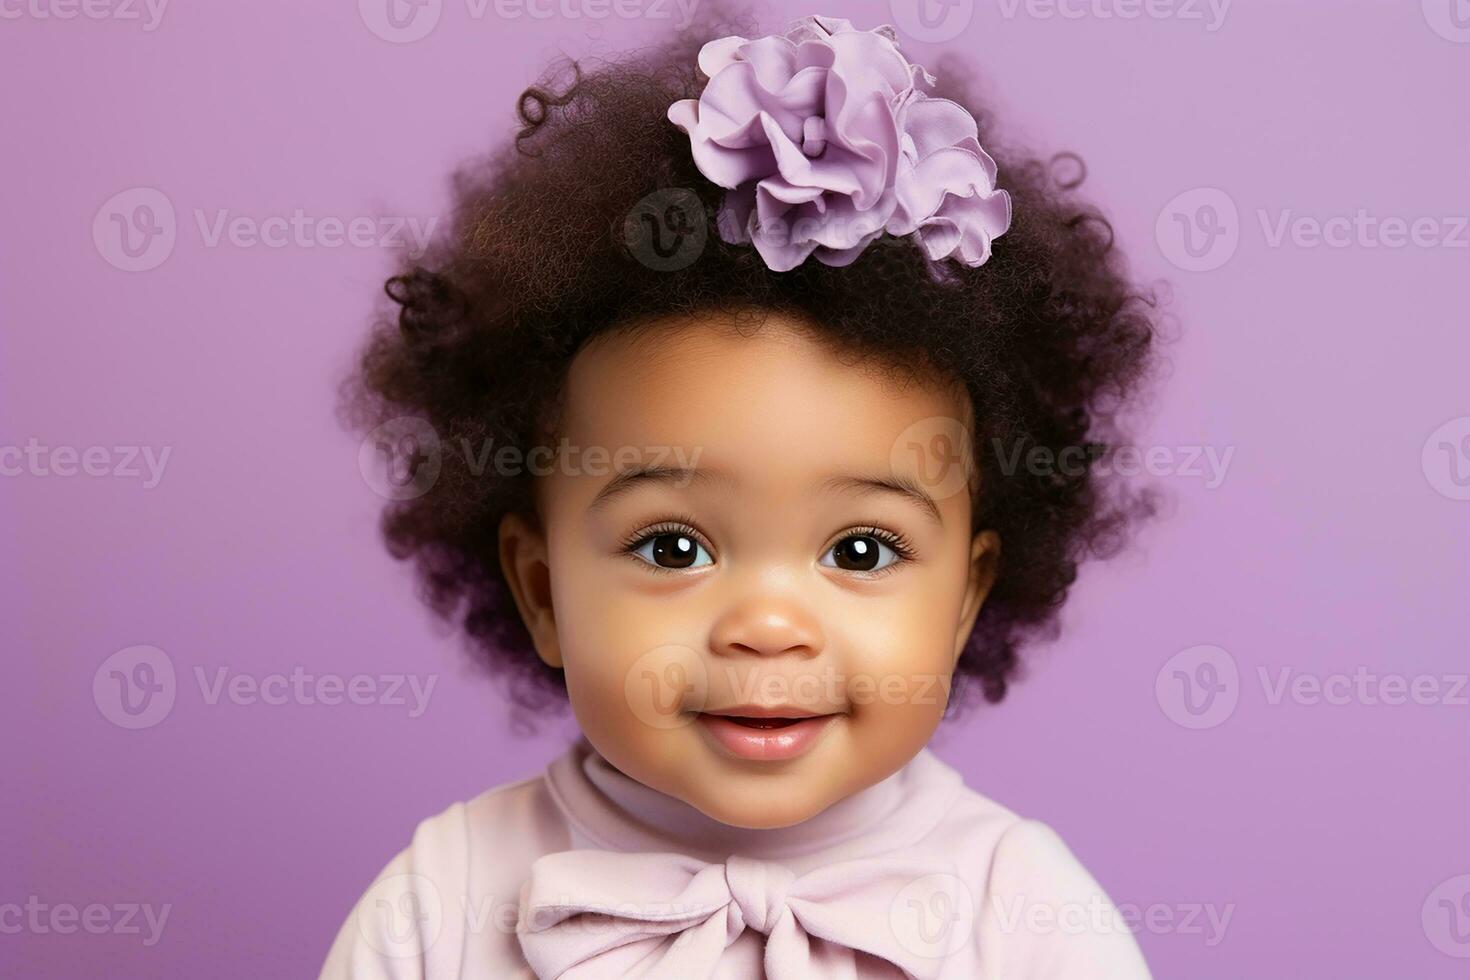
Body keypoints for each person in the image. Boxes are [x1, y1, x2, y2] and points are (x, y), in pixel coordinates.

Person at [324, 9, 1163, 977]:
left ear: (966, 596)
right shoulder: (441, 907)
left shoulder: (1026, 917)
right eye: (673, 546)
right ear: (543, 589)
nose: (767, 624)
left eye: (861, 549)